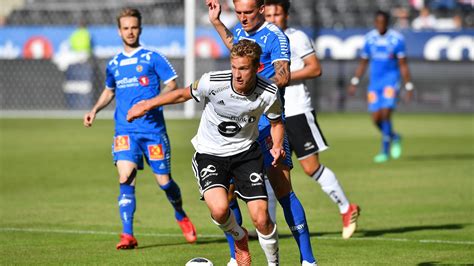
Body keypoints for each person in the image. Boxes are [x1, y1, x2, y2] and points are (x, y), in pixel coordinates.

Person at [127, 39, 282, 266]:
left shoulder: (269, 92)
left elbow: (277, 122)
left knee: (261, 218)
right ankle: (239, 239)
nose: (237, 74)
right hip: (210, 153)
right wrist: (146, 105)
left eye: (244, 68)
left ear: (257, 68)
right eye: (234, 67)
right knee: (219, 211)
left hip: (246, 154)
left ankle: (273, 264)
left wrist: (277, 145)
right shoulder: (213, 81)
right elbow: (181, 94)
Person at [207, 0, 317, 265]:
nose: (243, 17)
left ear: (261, 9)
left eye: (248, 12)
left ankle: (308, 260)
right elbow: (236, 47)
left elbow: (284, 76)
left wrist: (256, 84)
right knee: (227, 190)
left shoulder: (275, 37)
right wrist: (217, 22)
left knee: (282, 190)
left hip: (269, 125)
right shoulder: (243, 31)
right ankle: (237, 257)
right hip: (241, 126)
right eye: (239, 12)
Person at [82, 8, 197, 249]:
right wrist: (94, 109)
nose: (130, 32)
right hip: (125, 130)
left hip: (153, 130)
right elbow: (109, 91)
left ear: (140, 29)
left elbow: (172, 85)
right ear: (119, 31)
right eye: (126, 28)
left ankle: (180, 214)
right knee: (125, 177)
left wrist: (151, 103)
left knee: (164, 182)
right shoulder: (114, 64)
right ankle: (128, 235)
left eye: (134, 27)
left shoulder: (152, 57)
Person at [265, 0, 360, 240]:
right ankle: (269, 227)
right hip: (272, 113)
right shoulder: (263, 39)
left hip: (297, 110)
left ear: (286, 15)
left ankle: (346, 208)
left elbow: (315, 69)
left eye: (278, 13)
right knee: (272, 170)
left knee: (310, 168)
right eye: (269, 14)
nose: (273, 18)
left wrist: (283, 78)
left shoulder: (296, 37)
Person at [348, 10, 414, 163]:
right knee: (376, 119)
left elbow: (403, 65)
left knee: (385, 114)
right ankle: (395, 137)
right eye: (378, 22)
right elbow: (363, 63)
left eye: (383, 22)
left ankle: (384, 151)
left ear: (387, 23)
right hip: (374, 85)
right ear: (375, 22)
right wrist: (354, 81)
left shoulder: (397, 40)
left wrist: (409, 85)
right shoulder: (370, 39)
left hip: (390, 82)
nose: (380, 25)